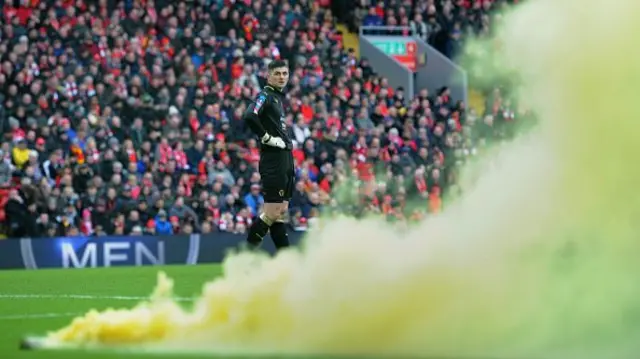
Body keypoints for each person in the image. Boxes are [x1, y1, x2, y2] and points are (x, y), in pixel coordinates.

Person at [242, 60, 294, 251]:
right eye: (277, 73)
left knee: (280, 213)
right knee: (271, 213)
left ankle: (286, 261)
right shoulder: (264, 95)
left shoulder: (278, 98)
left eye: (285, 73)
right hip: (274, 160)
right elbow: (250, 115)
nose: (282, 77)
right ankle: (245, 257)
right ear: (268, 75)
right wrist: (267, 138)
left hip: (286, 158)